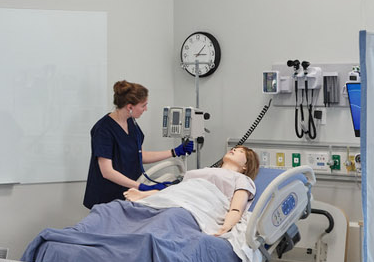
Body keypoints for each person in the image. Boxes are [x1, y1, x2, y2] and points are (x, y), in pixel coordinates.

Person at [84, 80, 194, 210]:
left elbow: (139, 155)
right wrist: (141, 187)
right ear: (130, 107)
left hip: (130, 192)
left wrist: (174, 152)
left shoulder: (131, 123)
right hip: (107, 196)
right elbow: (107, 172)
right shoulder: (103, 129)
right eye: (143, 106)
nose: (145, 109)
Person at [125, 144, 260, 238]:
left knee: (170, 216)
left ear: (246, 166)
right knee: (123, 209)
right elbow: (179, 190)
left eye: (240, 151)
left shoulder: (242, 179)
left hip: (200, 204)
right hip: (180, 197)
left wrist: (227, 225)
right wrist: (146, 194)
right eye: (234, 148)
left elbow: (237, 208)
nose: (234, 149)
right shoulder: (204, 171)